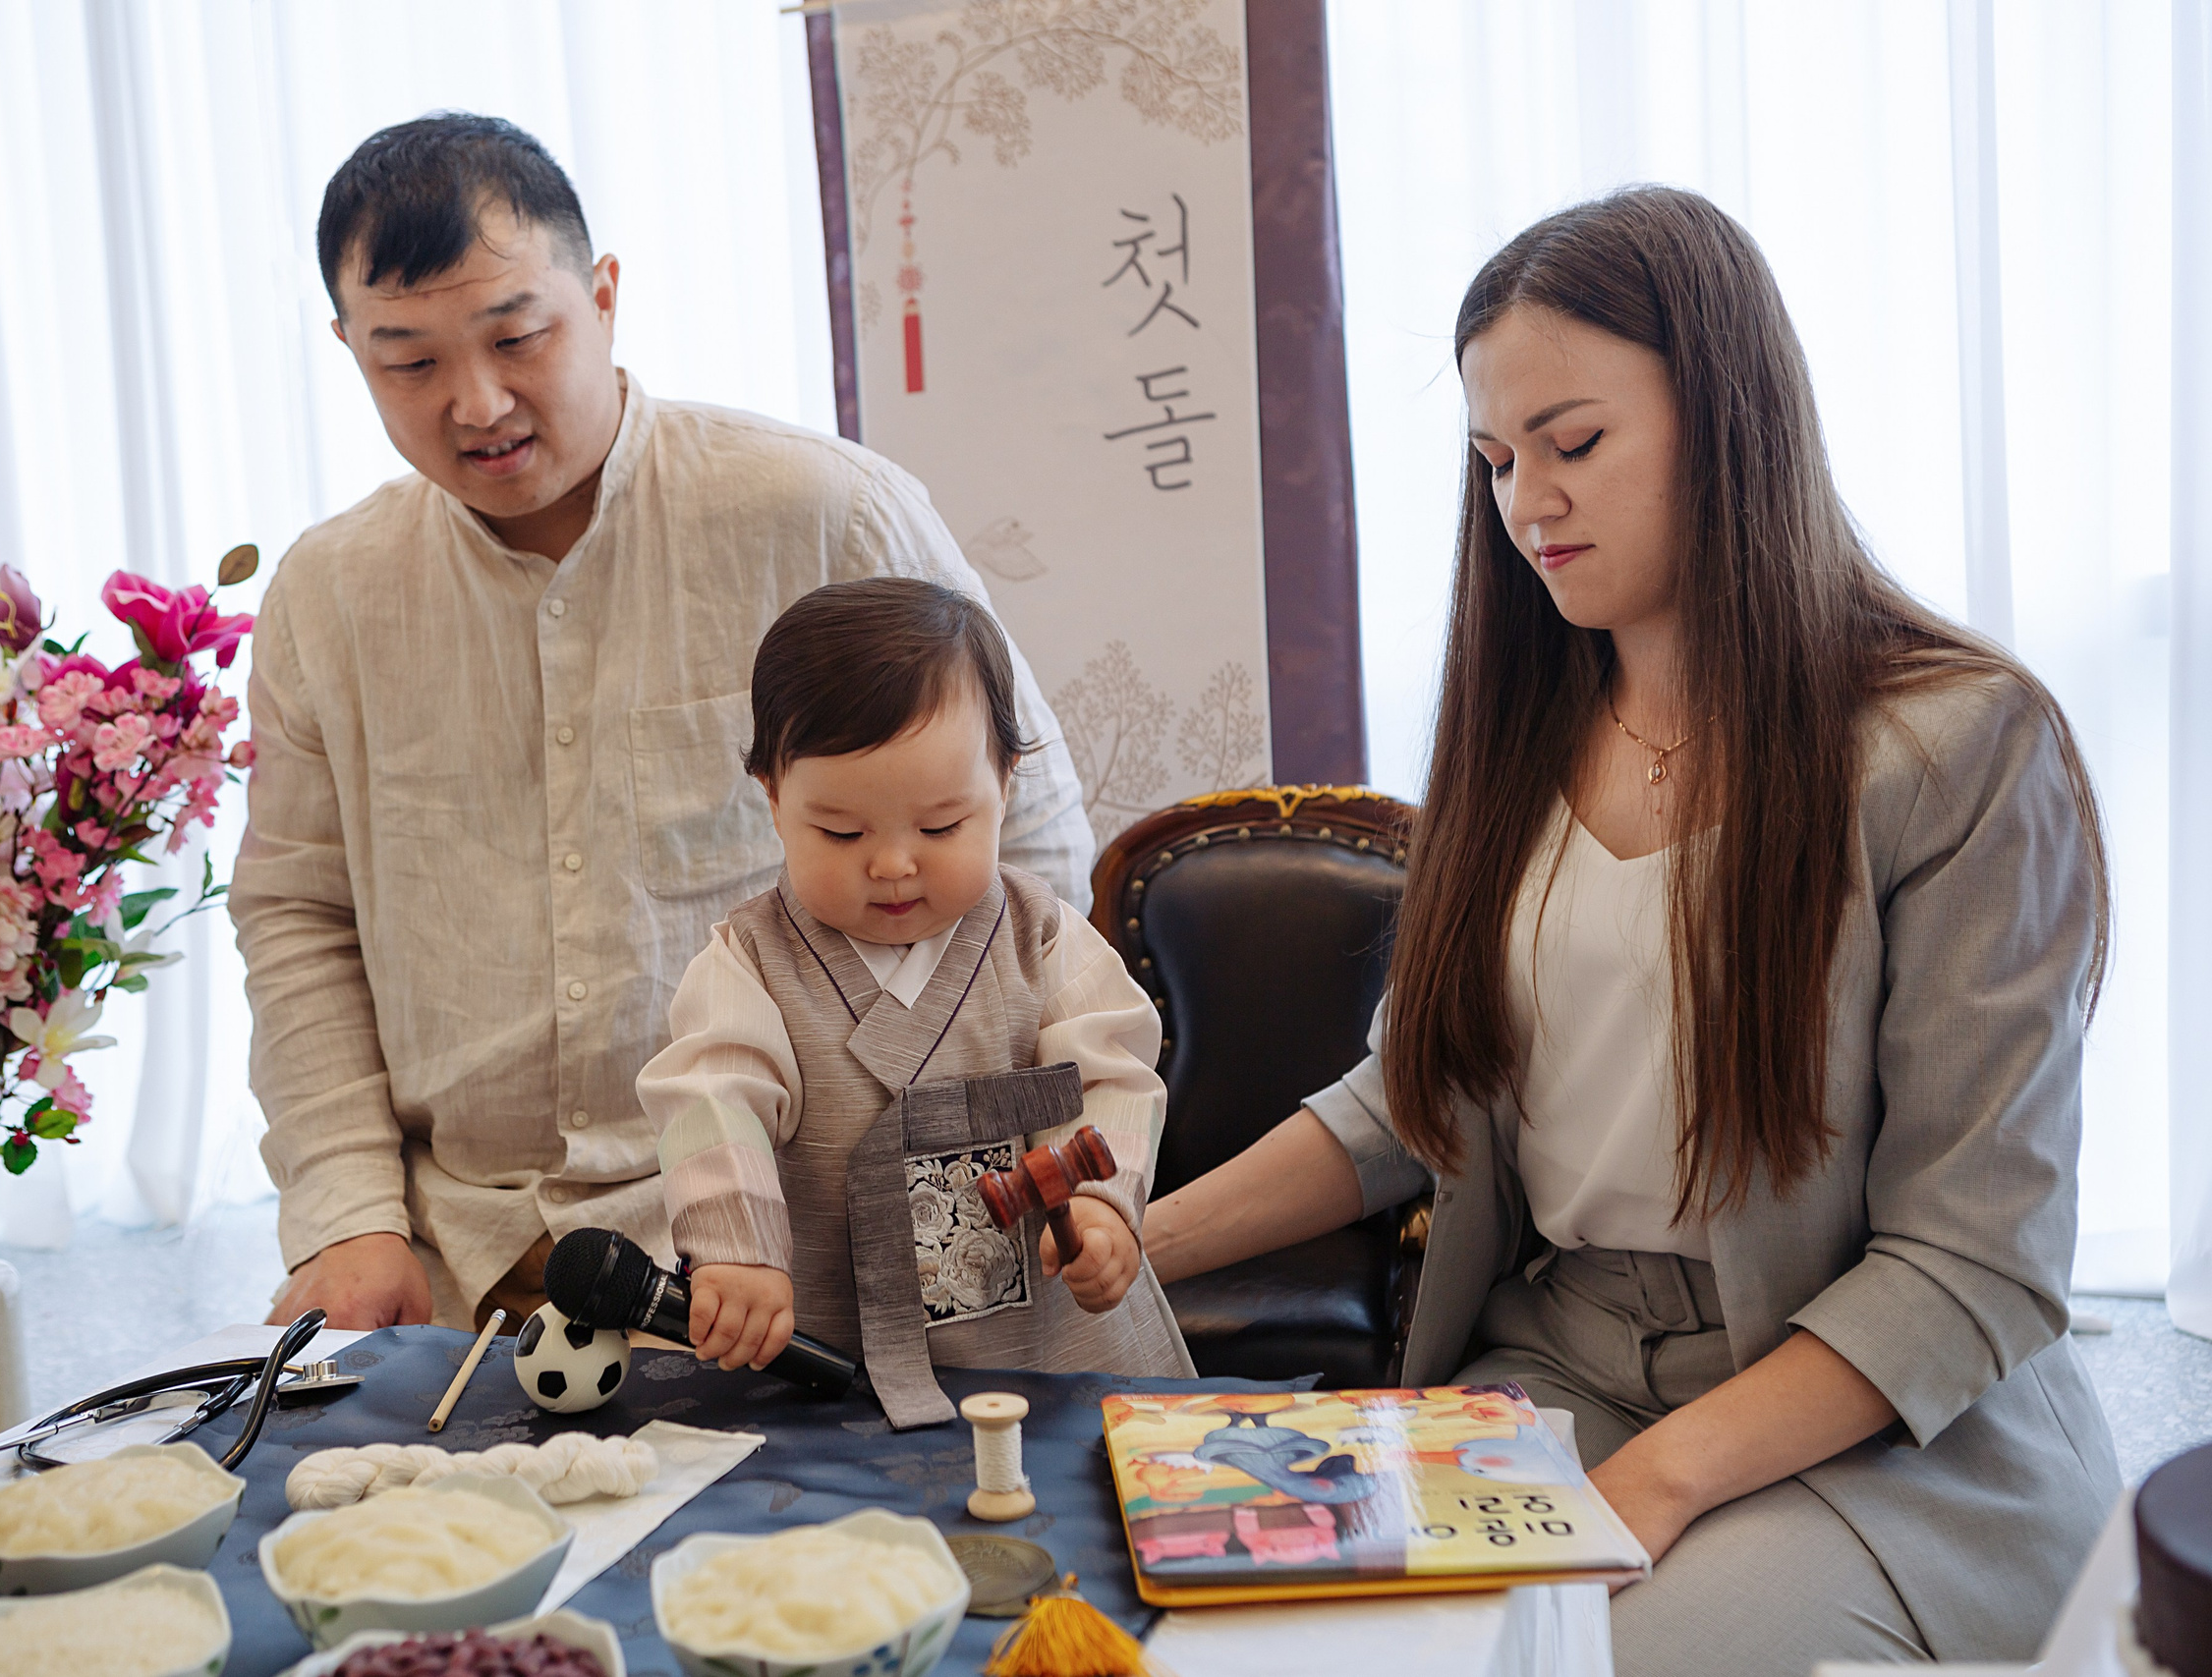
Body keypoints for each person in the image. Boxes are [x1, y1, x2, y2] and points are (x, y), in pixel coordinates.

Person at [1139, 187, 2119, 1676]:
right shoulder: (1519, 740)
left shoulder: (1956, 747)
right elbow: (1416, 1095)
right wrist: (1135, 1245)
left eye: (1575, 443)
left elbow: (1973, 1260)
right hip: (1568, 1359)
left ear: (1728, 417)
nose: (1527, 503)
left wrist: (1648, 1486)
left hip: (1874, 1421)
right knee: (1281, 1639)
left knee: (1583, 1660)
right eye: (1495, 460)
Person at [231, 116, 1093, 1334]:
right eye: (408, 363)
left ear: (603, 296)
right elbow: (299, 917)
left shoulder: (824, 517)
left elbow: (1025, 847)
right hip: (464, 1253)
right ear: (348, 350)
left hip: (804, 1244)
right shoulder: (329, 594)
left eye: (517, 337)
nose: (477, 402)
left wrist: (948, 1197)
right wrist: (349, 1215)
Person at [636, 579, 1191, 1428]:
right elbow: (711, 1100)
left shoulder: (1042, 940)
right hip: (835, 1361)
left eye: (940, 828)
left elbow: (1112, 1075)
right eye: (842, 832)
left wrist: (1103, 1204)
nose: (893, 864)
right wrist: (737, 1249)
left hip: (1049, 1355)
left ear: (1004, 783)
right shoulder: (747, 965)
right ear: (774, 798)